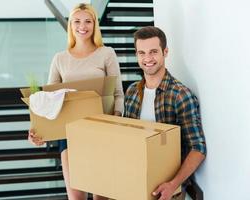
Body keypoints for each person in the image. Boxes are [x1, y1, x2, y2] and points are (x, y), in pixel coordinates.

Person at [28, 3, 124, 200]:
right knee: (76, 197)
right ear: (71, 25)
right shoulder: (60, 59)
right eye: (77, 21)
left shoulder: (106, 53)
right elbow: (47, 101)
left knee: (102, 197)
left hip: (102, 130)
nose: (83, 26)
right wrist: (38, 130)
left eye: (88, 21)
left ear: (95, 24)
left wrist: (116, 120)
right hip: (69, 133)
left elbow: (118, 93)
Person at [123, 26, 207, 200]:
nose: (147, 59)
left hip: (167, 188)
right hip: (133, 180)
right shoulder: (131, 92)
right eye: (141, 53)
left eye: (153, 52)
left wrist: (173, 184)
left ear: (165, 52)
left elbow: (198, 149)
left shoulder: (180, 95)